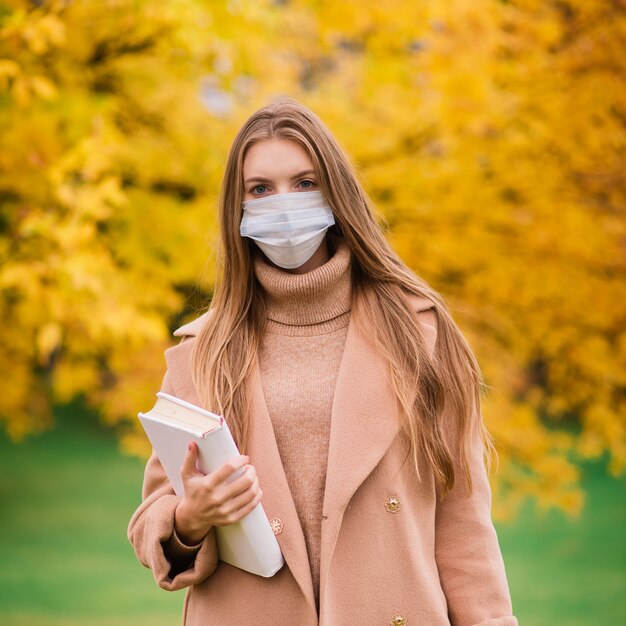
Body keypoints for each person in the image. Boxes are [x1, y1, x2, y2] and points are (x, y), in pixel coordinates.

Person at [128, 97, 518, 626]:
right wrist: (189, 518)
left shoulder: (419, 334)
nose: (283, 204)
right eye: (260, 190)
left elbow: (463, 524)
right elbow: (152, 517)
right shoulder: (204, 351)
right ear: (237, 209)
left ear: (336, 194)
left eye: (305, 183)